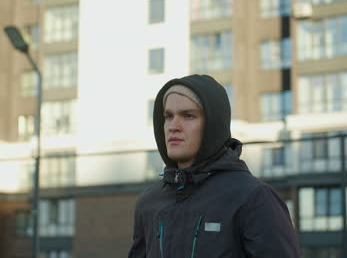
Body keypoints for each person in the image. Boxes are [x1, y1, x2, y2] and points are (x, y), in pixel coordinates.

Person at [128, 74, 300, 258]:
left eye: (188, 116)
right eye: (168, 116)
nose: (173, 126)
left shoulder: (253, 197)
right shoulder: (150, 202)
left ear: (213, 124)